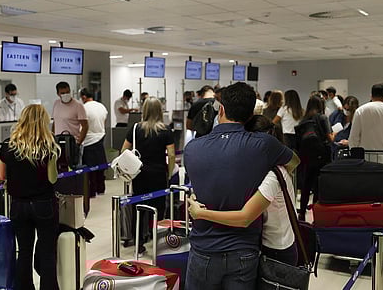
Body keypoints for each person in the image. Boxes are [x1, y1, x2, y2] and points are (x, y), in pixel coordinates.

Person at [184, 82, 296, 290]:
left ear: (222, 109)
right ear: (251, 114)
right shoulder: (264, 145)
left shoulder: (192, 149)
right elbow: (294, 162)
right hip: (244, 251)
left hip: (204, 247)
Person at [188, 115, 298, 266]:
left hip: (276, 250)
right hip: (268, 244)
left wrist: (201, 213)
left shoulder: (273, 176)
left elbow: (245, 217)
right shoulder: (263, 169)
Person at [0, 104, 61, 290]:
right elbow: (52, 178)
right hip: (44, 205)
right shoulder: (49, 145)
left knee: (24, 252)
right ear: (44, 121)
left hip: (19, 206)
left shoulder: (7, 146)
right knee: (47, 253)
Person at [121, 96, 175, 255]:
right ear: (159, 110)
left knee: (139, 208)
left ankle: (139, 243)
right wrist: (169, 172)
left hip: (140, 174)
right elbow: (171, 155)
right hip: (158, 175)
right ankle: (158, 240)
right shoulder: (165, 130)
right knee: (159, 208)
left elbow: (124, 150)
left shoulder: (136, 128)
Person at [297, 95, 334, 221]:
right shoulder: (322, 118)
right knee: (318, 186)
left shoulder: (303, 120)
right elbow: (330, 138)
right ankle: (316, 215)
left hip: (306, 157)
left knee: (306, 186)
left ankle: (301, 213)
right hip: (321, 156)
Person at [80, 88, 108, 197]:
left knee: (90, 169)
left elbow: (83, 125)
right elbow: (104, 121)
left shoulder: (83, 108)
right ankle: (101, 188)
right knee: (100, 165)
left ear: (83, 97)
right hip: (101, 137)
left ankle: (91, 191)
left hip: (89, 140)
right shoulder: (102, 106)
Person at [52, 81, 88, 146]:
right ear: (58, 94)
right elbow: (55, 122)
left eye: (67, 92)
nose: (65, 94)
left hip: (72, 142)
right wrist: (53, 138)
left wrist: (79, 142)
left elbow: (85, 126)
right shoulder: (56, 103)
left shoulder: (78, 105)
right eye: (62, 93)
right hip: (58, 141)